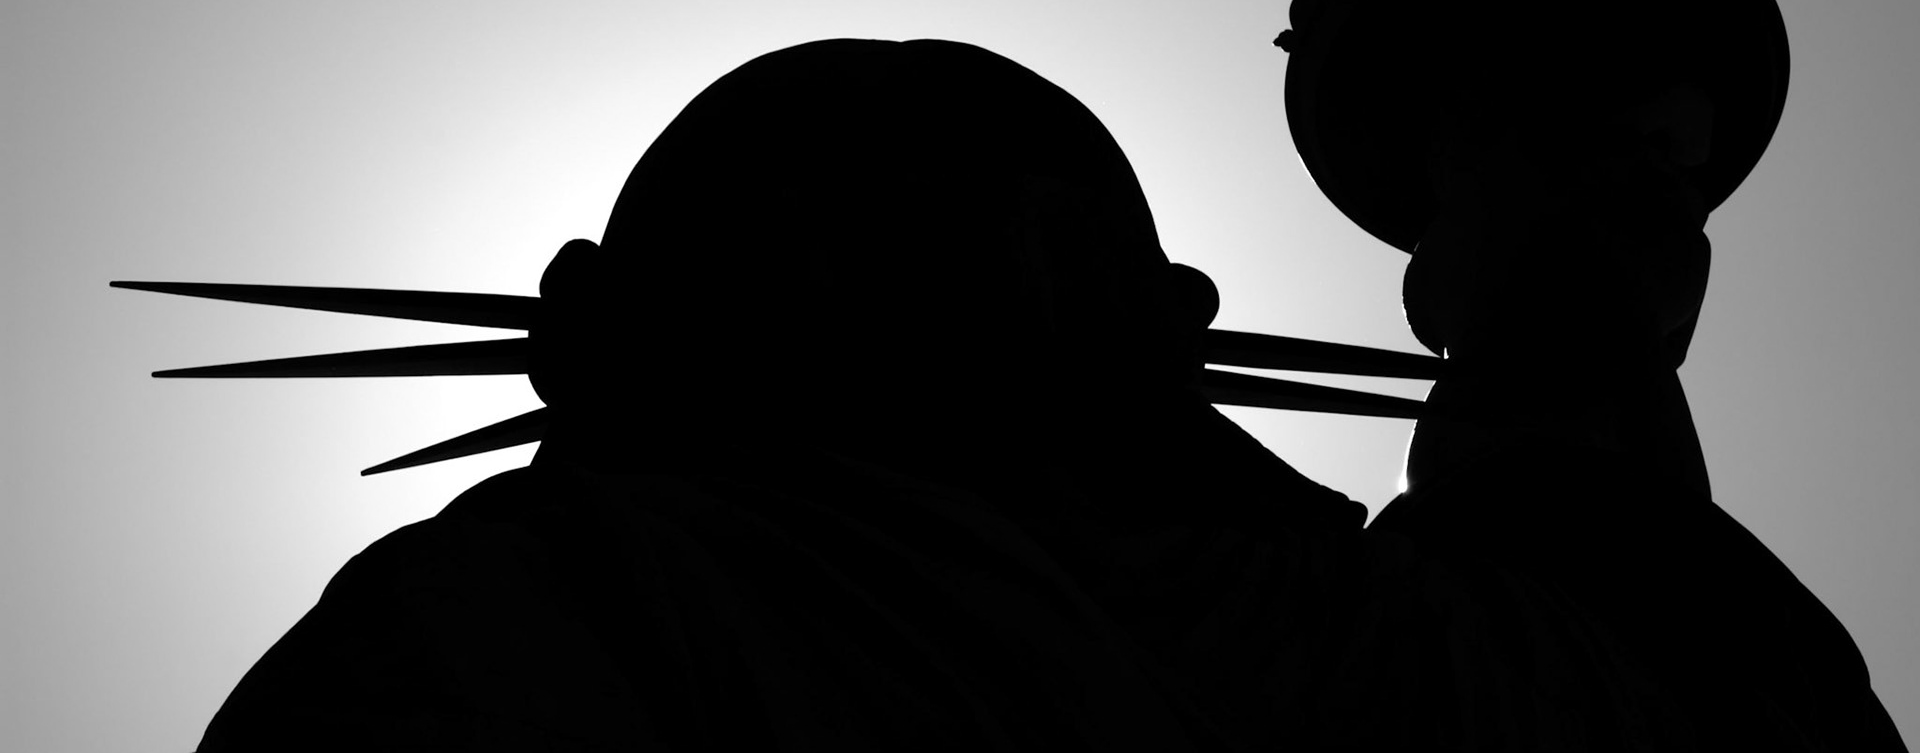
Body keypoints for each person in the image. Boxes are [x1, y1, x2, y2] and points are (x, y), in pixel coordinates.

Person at [197, 39, 1901, 750]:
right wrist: (1545, 301)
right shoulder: (1367, 639)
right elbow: (1729, 704)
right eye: (867, 221)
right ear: (1171, 328)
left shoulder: (527, 601)